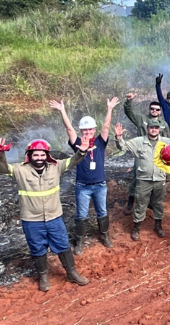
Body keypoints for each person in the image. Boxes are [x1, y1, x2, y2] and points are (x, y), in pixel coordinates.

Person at [0, 138, 90, 292]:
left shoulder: (55, 167)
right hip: (31, 220)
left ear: (47, 155)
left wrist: (82, 151)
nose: (39, 158)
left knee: (63, 245)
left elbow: (72, 161)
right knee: (37, 249)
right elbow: (2, 169)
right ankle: (44, 278)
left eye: (42, 155)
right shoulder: (20, 170)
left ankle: (71, 273)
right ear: (29, 155)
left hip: (54, 217)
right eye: (36, 155)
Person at [49, 97, 119, 254]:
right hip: (82, 186)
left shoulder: (100, 143)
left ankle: (105, 236)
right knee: (81, 214)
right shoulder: (78, 144)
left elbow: (107, 127)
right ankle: (80, 240)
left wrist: (109, 109)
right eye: (84, 130)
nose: (87, 132)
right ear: (81, 131)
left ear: (94, 130)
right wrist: (62, 111)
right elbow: (69, 130)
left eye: (90, 130)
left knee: (102, 211)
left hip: (100, 185)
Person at [114, 121, 170, 241]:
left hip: (160, 179)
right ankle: (136, 228)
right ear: (147, 128)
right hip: (143, 179)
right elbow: (123, 146)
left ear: (159, 129)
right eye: (151, 127)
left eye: (156, 128)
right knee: (141, 203)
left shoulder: (166, 142)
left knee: (158, 203)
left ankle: (158, 226)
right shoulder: (139, 141)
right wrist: (118, 137)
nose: (154, 130)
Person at [123, 92, 169, 215]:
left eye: (157, 109)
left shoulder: (163, 124)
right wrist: (128, 102)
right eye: (152, 109)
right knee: (136, 177)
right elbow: (129, 113)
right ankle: (130, 202)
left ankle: (151, 203)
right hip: (142, 153)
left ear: (160, 111)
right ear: (149, 110)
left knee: (156, 180)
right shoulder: (142, 119)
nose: (154, 111)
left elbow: (167, 140)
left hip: (157, 155)